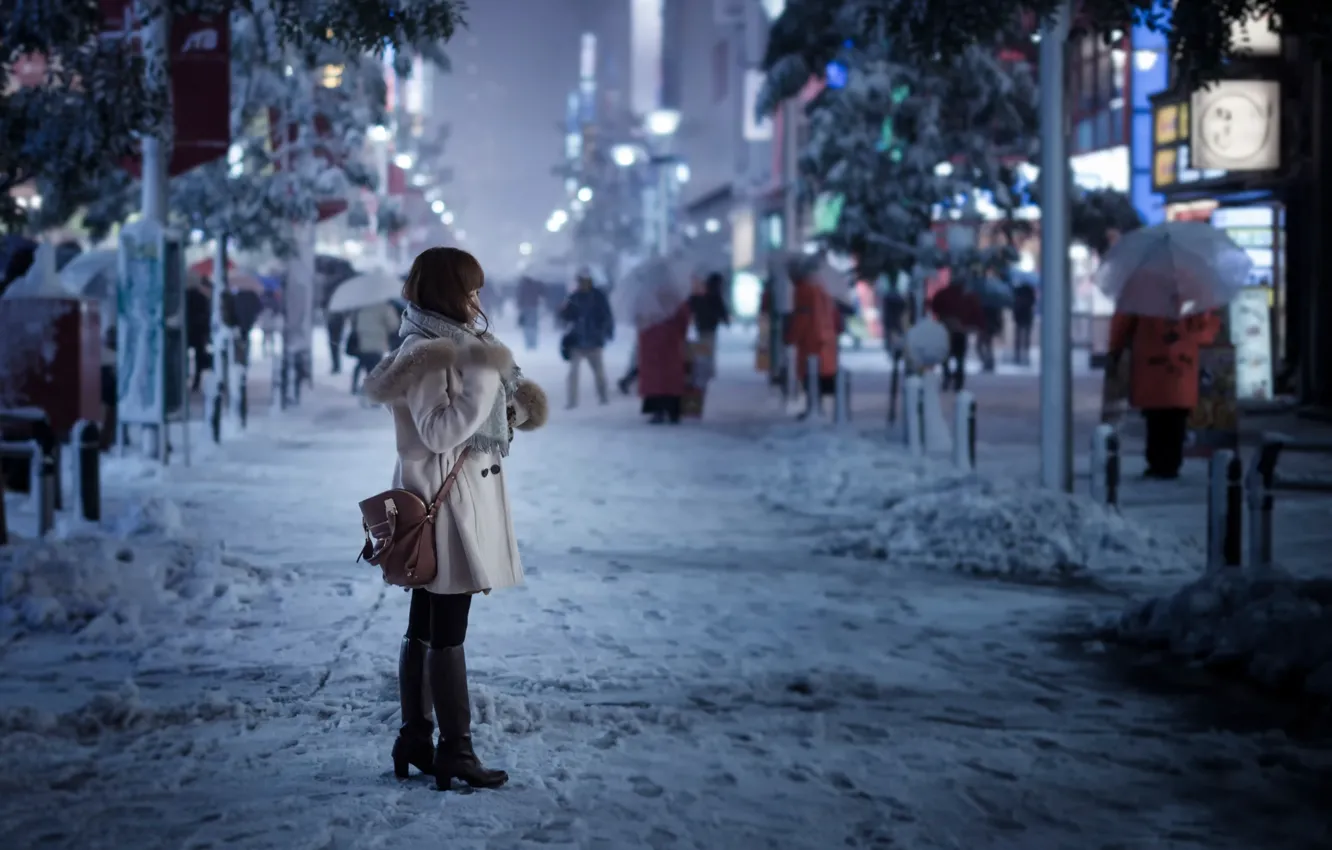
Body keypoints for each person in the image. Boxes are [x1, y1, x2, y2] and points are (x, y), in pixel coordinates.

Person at [361, 246, 549, 791]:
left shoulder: (457, 347)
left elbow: (475, 421)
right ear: (448, 292)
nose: (476, 299)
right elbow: (441, 432)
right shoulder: (428, 354)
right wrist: (485, 380)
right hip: (447, 513)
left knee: (427, 623)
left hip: (455, 501)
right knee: (447, 629)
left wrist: (505, 405)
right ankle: (454, 750)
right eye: (469, 289)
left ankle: (417, 738)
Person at [1107, 309, 1220, 480]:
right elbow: (1207, 329)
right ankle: (1172, 462)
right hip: (1184, 363)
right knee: (1177, 413)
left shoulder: (1140, 288)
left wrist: (1116, 348)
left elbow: (1121, 322)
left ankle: (1156, 462)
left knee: (1155, 414)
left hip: (1149, 361)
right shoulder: (1194, 290)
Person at [786, 266, 840, 418]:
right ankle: (817, 407)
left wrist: (792, 337)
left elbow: (802, 317)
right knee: (820, 376)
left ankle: (813, 409)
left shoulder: (803, 290)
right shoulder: (820, 289)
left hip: (811, 341)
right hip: (825, 339)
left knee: (810, 377)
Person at [637, 285, 692, 424]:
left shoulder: (646, 301)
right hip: (670, 344)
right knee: (671, 379)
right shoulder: (676, 299)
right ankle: (673, 410)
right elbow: (684, 320)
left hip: (652, 345)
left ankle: (657, 410)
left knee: (655, 380)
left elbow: (640, 321)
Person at [559, 271, 615, 408]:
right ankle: (572, 401)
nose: (582, 284)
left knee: (599, 372)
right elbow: (566, 316)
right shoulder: (574, 297)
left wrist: (606, 331)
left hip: (594, 340)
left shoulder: (598, 297)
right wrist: (564, 310)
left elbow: (607, 315)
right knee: (573, 373)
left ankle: (603, 397)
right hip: (577, 341)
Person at [349, 300, 401, 395]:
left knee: (363, 363)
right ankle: (372, 391)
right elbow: (394, 325)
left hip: (363, 342)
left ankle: (357, 386)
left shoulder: (361, 306)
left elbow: (353, 323)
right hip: (377, 342)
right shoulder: (385, 307)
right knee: (375, 368)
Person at [1012, 281, 1036, 366]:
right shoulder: (1028, 294)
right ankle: (1024, 354)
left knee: (1019, 337)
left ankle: (1018, 355)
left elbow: (1014, 303)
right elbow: (1033, 301)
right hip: (1026, 316)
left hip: (1020, 316)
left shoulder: (1018, 292)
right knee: (1025, 337)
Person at [516, 276, 543, 350]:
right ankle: (533, 343)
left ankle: (528, 343)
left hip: (526, 308)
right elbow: (541, 293)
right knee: (533, 326)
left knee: (527, 327)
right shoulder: (535, 286)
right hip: (534, 307)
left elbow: (520, 297)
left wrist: (519, 305)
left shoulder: (523, 286)